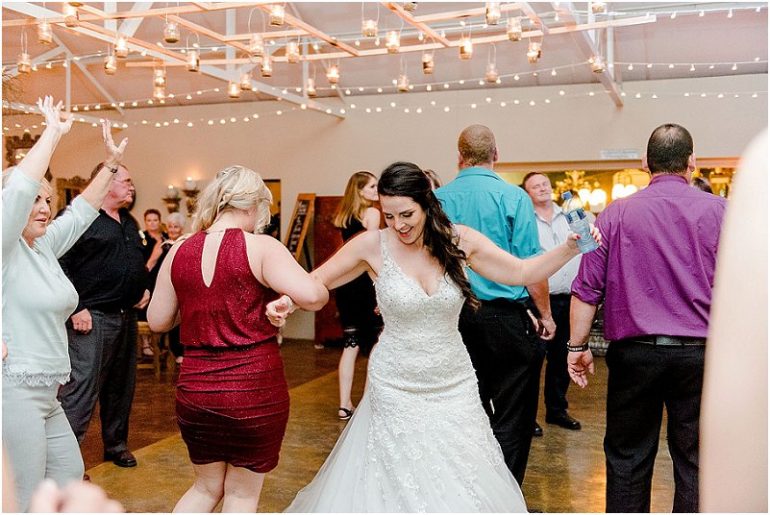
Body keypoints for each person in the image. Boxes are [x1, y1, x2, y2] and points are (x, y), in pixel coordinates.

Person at [268, 162, 600, 512]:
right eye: (389, 216)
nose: (399, 225)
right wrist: (288, 301)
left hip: (453, 382)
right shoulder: (372, 245)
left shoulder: (460, 241)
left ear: (426, 202)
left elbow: (521, 271)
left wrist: (569, 248)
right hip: (395, 384)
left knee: (461, 477)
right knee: (399, 482)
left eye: (407, 214)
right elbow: (315, 280)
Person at [147, 165, 328, 512]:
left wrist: (199, 303)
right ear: (253, 206)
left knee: (204, 488)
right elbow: (313, 297)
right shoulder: (261, 247)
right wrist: (301, 292)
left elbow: (158, 321)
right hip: (252, 390)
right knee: (241, 495)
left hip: (197, 389)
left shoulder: (179, 249)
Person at [568, 123, 727, 513]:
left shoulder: (613, 215)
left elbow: (586, 288)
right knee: (695, 460)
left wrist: (576, 346)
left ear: (645, 162)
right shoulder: (721, 211)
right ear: (692, 162)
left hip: (634, 356)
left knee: (628, 458)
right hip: (700, 356)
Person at [2, 97, 127, 511]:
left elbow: (80, 214)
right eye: (35, 201)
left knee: (68, 476)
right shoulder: (4, 249)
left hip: (48, 391)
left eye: (47, 200)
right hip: (14, 389)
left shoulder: (41, 248)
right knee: (24, 494)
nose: (44, 208)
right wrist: (53, 133)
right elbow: (18, 190)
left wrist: (110, 166)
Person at [435, 124, 554, 485]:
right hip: (505, 318)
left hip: (453, 319)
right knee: (513, 414)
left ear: (459, 157)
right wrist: (546, 315)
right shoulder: (513, 197)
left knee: (462, 409)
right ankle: (503, 497)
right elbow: (531, 265)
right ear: (496, 154)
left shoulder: (437, 199)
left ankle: (465, 492)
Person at [58, 155, 149, 470]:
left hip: (126, 316)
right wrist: (76, 306)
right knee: (82, 389)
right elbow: (58, 263)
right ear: (106, 183)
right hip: (91, 317)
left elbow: (135, 260)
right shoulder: (80, 217)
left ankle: (116, 445)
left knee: (121, 387)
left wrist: (143, 288)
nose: (132, 187)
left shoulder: (129, 221)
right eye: (126, 181)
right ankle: (64, 462)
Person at [700, 129, 767, 512]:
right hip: (698, 341)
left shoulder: (762, 165)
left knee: (629, 454)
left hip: (639, 349)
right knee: (689, 453)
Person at [522, 172, 582, 435]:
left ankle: (557, 410)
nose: (542, 188)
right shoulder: (526, 220)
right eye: (535, 186)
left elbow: (586, 246)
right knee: (534, 360)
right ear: (528, 194)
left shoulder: (570, 212)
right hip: (539, 300)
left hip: (570, 299)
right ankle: (528, 417)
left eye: (545, 184)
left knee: (561, 358)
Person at [331, 171, 383, 420]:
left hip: (346, 285)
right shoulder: (372, 213)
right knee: (376, 345)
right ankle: (366, 404)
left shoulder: (343, 217)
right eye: (372, 186)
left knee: (350, 345)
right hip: (365, 284)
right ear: (360, 190)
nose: (376, 190)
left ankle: (344, 404)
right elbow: (370, 252)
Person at [138, 208, 168, 357]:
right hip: (147, 278)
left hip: (162, 278)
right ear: (145, 222)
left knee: (163, 309)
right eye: (149, 220)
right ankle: (145, 343)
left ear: (160, 221)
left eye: (155, 220)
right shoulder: (141, 239)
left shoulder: (166, 238)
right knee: (146, 307)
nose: (152, 223)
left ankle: (160, 344)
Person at [160, 212, 187, 363]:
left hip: (181, 286)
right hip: (165, 287)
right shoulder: (162, 245)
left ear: (181, 229)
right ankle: (169, 349)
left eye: (176, 227)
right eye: (170, 226)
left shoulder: (185, 244)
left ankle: (181, 351)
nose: (172, 230)